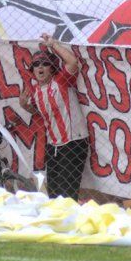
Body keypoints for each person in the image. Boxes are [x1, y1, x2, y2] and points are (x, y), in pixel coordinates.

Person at [18, 34, 89, 200]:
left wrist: (53, 44)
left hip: (73, 142)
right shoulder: (35, 91)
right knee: (54, 194)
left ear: (52, 68)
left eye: (45, 64)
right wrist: (25, 106)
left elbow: (72, 62)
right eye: (36, 64)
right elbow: (43, 114)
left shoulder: (61, 81)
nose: (40, 67)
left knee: (67, 194)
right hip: (53, 145)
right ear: (32, 70)